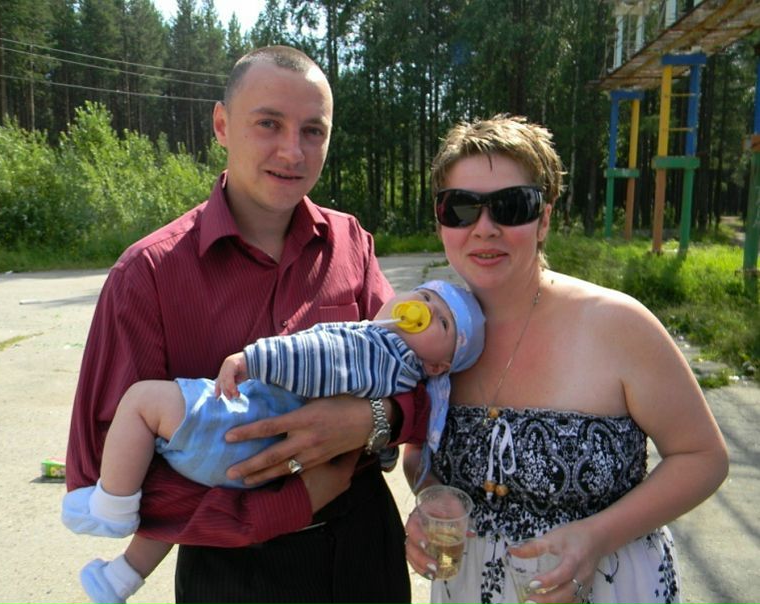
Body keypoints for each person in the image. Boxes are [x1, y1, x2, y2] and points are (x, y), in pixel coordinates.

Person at [66, 45, 421, 604]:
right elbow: (106, 471)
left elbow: (421, 377)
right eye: (269, 123)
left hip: (364, 551)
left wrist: (373, 419)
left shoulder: (352, 244)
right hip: (230, 573)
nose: (292, 151)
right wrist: (290, 502)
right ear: (222, 125)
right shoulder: (148, 275)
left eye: (313, 131)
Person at [403, 115, 729, 604]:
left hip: (610, 586)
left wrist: (597, 536)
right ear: (441, 220)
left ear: (544, 219)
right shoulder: (429, 331)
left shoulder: (617, 324)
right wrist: (431, 497)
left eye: (512, 206)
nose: (485, 228)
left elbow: (703, 457)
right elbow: (417, 453)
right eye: (462, 208)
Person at [63, 280, 484, 604]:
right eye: (424, 297)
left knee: (142, 402)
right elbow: (399, 435)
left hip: (241, 429)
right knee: (192, 491)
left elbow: (316, 354)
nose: (425, 310)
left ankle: (113, 505)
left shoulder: (375, 344)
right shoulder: (404, 372)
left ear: (438, 365)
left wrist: (253, 359)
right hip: (261, 492)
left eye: (443, 322)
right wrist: (383, 425)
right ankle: (123, 575)